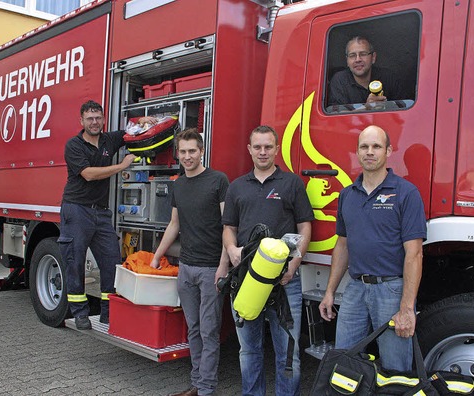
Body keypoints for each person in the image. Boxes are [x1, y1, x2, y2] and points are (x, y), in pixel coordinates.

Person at [318, 125, 427, 371]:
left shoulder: (405, 193)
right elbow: (343, 245)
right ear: (357, 152)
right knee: (343, 362)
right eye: (364, 147)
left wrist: (407, 308)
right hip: (355, 289)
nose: (370, 152)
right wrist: (330, 291)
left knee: (395, 368)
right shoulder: (348, 194)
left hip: (391, 291)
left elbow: (415, 253)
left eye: (376, 146)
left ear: (388, 151)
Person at [222, 125, 314, 396]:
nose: (263, 152)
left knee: (288, 352)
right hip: (246, 281)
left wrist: (293, 266)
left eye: (268, 147)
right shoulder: (237, 186)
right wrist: (231, 250)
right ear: (249, 150)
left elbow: (305, 228)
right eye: (257, 147)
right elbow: (229, 228)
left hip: (285, 282)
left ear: (276, 149)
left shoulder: (292, 183)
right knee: (249, 350)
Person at [59, 100, 155, 330]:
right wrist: (122, 166)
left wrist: (141, 121)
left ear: (103, 119)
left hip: (100, 213)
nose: (94, 122)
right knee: (76, 262)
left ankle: (108, 313)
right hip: (76, 209)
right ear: (81, 121)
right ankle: (80, 313)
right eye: (90, 118)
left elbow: (128, 133)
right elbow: (89, 174)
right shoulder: (74, 145)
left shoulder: (107, 140)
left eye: (98, 118)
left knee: (112, 261)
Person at [149, 128, 230, 396]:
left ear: (201, 150)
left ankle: (206, 389)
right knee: (193, 330)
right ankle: (197, 384)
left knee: (209, 332)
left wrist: (223, 265)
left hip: (210, 269)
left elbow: (227, 227)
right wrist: (158, 255)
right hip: (186, 268)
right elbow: (175, 224)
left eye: (192, 151)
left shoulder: (218, 181)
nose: (187, 156)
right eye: (182, 152)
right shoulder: (179, 184)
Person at [328, 36, 406, 107]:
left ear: (373, 57)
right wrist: (367, 108)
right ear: (347, 60)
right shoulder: (339, 81)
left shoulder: (389, 77)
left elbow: (404, 108)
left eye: (363, 54)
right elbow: (338, 119)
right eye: (352, 55)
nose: (358, 59)